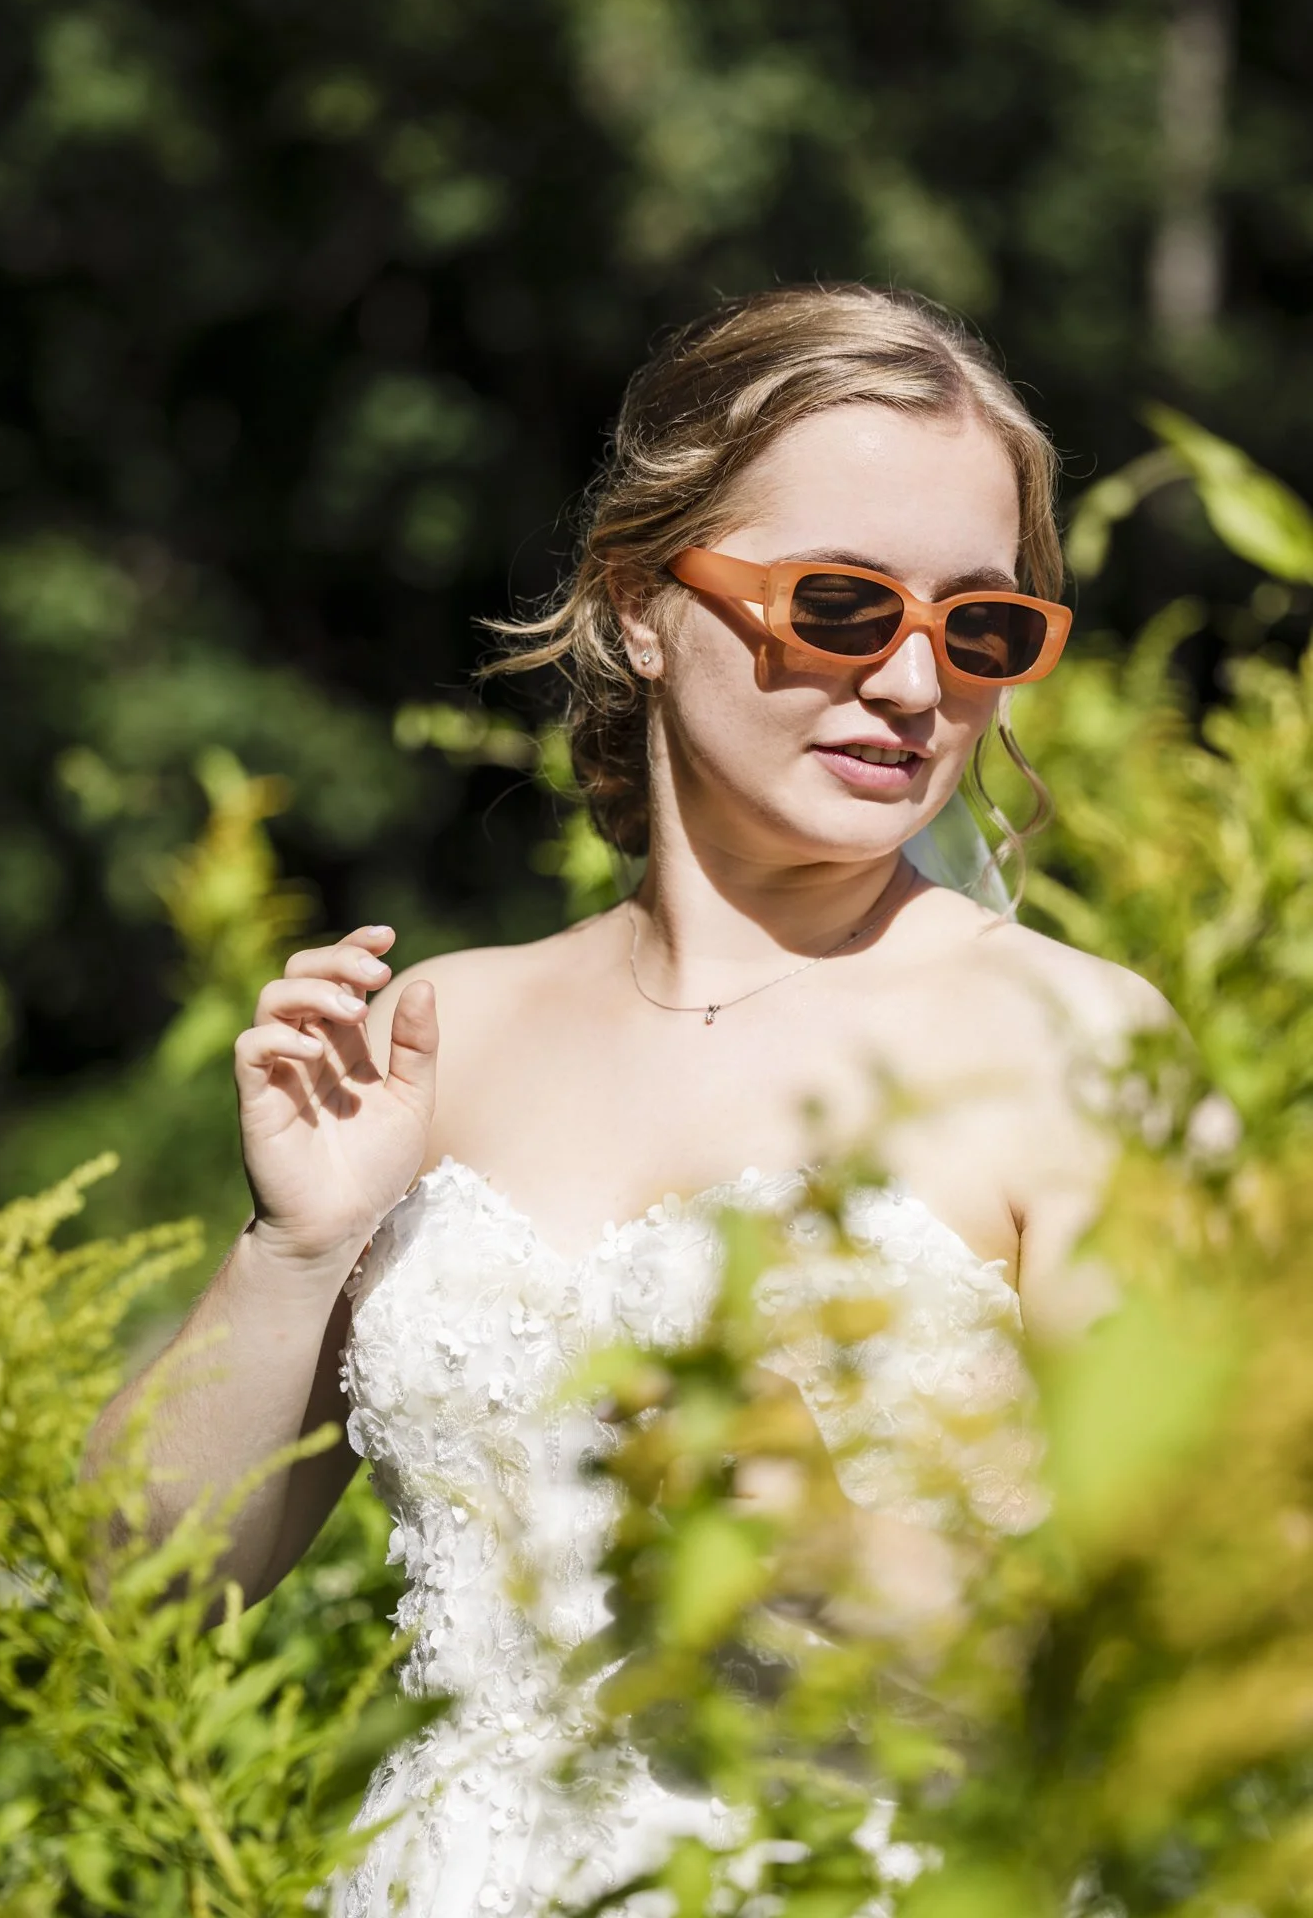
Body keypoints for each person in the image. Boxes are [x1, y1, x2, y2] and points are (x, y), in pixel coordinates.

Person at [89, 285, 1164, 1915]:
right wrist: (292, 1252)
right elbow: (124, 1604)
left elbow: (1219, 1667)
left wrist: (856, 1562)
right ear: (640, 603)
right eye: (839, 605)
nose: (913, 681)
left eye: (983, 627)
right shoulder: (444, 1031)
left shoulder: (1070, 1047)